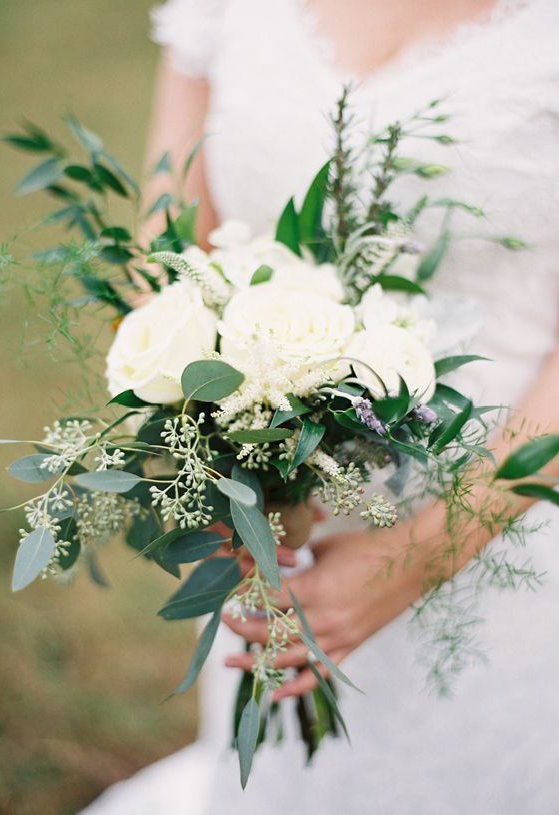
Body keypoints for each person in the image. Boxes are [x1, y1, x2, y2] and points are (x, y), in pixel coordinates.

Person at [81, 1, 559, 812]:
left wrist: (426, 553)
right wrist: (227, 470)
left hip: (515, 517)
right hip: (274, 529)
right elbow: (169, 237)